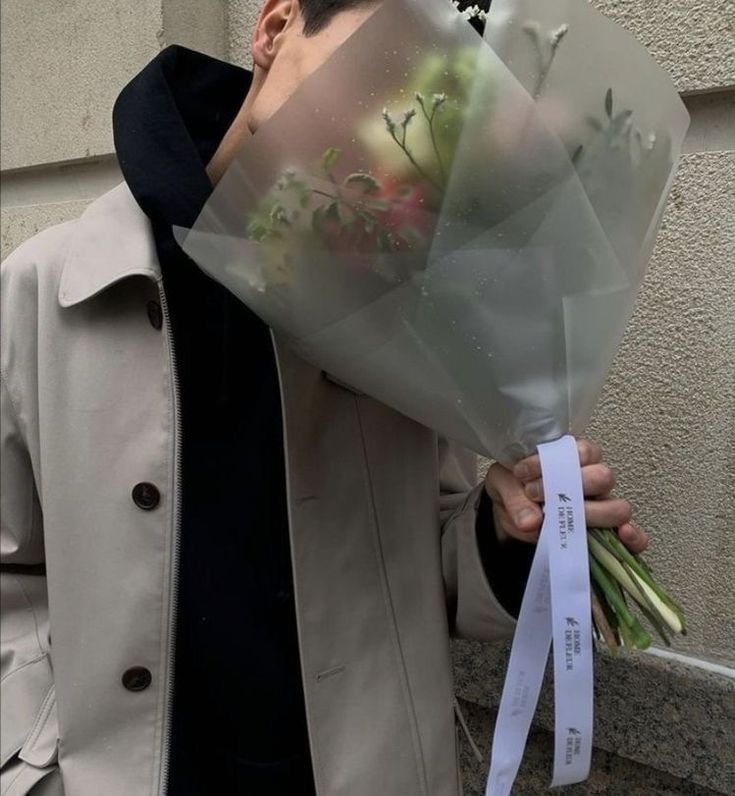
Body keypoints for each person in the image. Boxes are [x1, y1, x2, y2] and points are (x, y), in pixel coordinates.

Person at [0, 1, 649, 794]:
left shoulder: (402, 293)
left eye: (424, 105)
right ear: (274, 29)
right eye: (372, 68)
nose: (383, 125)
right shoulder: (43, 286)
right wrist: (31, 762)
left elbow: (427, 559)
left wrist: (505, 527)